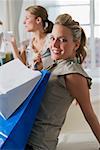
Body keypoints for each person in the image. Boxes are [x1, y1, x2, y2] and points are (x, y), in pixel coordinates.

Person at [25, 13, 100, 150]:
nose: (54, 44)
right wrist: (36, 69)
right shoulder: (54, 64)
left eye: (63, 40)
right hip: (23, 137)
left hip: (37, 145)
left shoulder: (73, 75)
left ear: (76, 45)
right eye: (52, 38)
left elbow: (90, 115)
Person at [11, 5, 54, 70]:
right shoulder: (26, 44)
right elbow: (21, 68)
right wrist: (13, 45)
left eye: (27, 18)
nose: (24, 22)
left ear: (38, 20)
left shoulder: (52, 40)